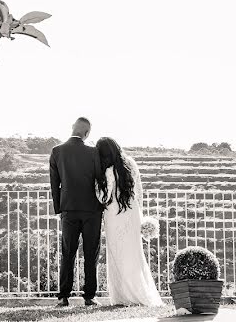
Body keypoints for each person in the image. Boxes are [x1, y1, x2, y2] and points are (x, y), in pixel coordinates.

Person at [95, 137, 163, 306]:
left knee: (117, 254)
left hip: (113, 214)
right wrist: (140, 215)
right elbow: (138, 191)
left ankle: (122, 296)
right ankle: (139, 291)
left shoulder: (108, 170)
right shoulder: (130, 164)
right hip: (131, 211)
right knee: (134, 254)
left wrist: (97, 183)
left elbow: (104, 197)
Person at [49, 117, 105, 306]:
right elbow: (100, 180)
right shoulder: (93, 152)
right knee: (91, 253)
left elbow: (54, 184)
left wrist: (60, 209)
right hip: (92, 210)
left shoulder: (57, 151)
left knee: (68, 253)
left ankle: (64, 296)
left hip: (69, 210)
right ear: (87, 133)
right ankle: (89, 296)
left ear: (72, 128)